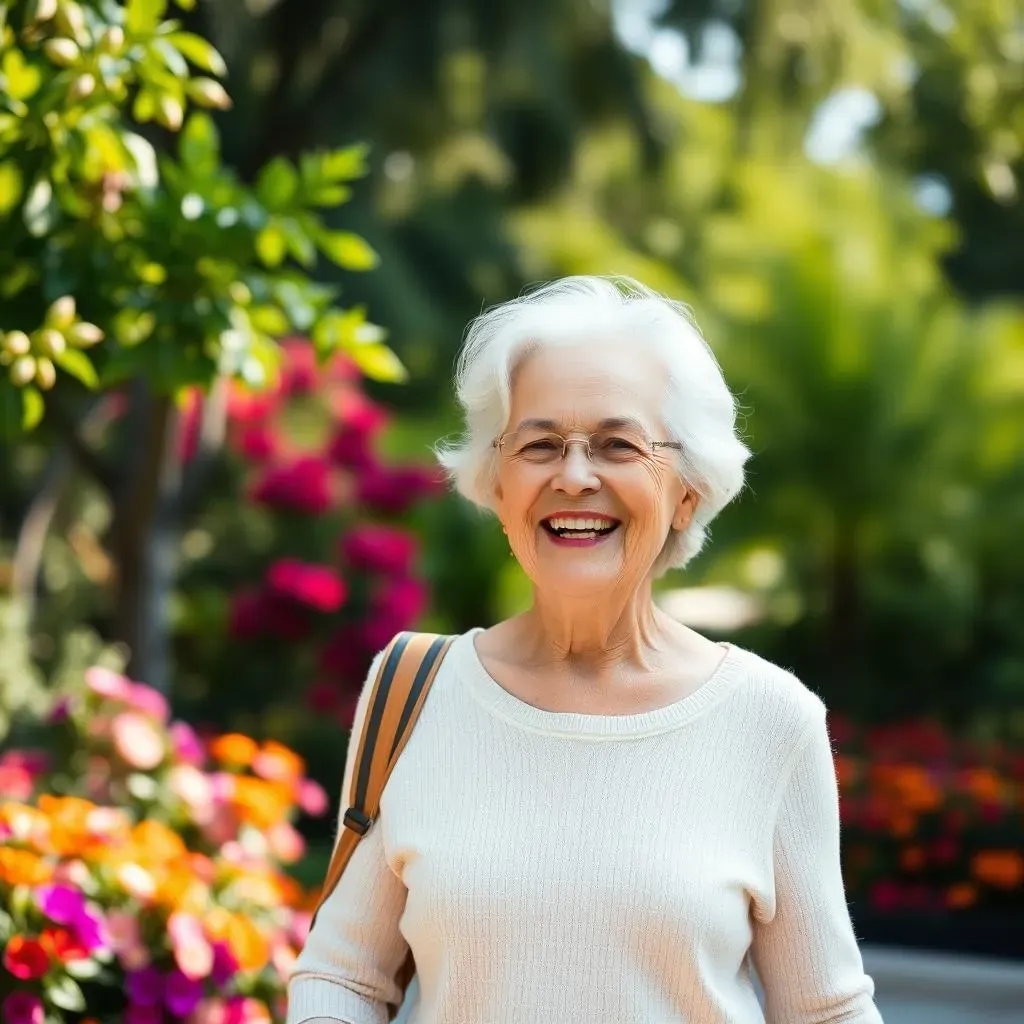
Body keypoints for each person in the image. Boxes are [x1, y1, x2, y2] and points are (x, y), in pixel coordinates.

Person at [288, 276, 884, 1024]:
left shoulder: (771, 720)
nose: (574, 477)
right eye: (539, 445)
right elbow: (343, 975)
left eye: (617, 445)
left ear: (687, 492)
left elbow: (825, 1011)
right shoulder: (415, 690)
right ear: (498, 485)